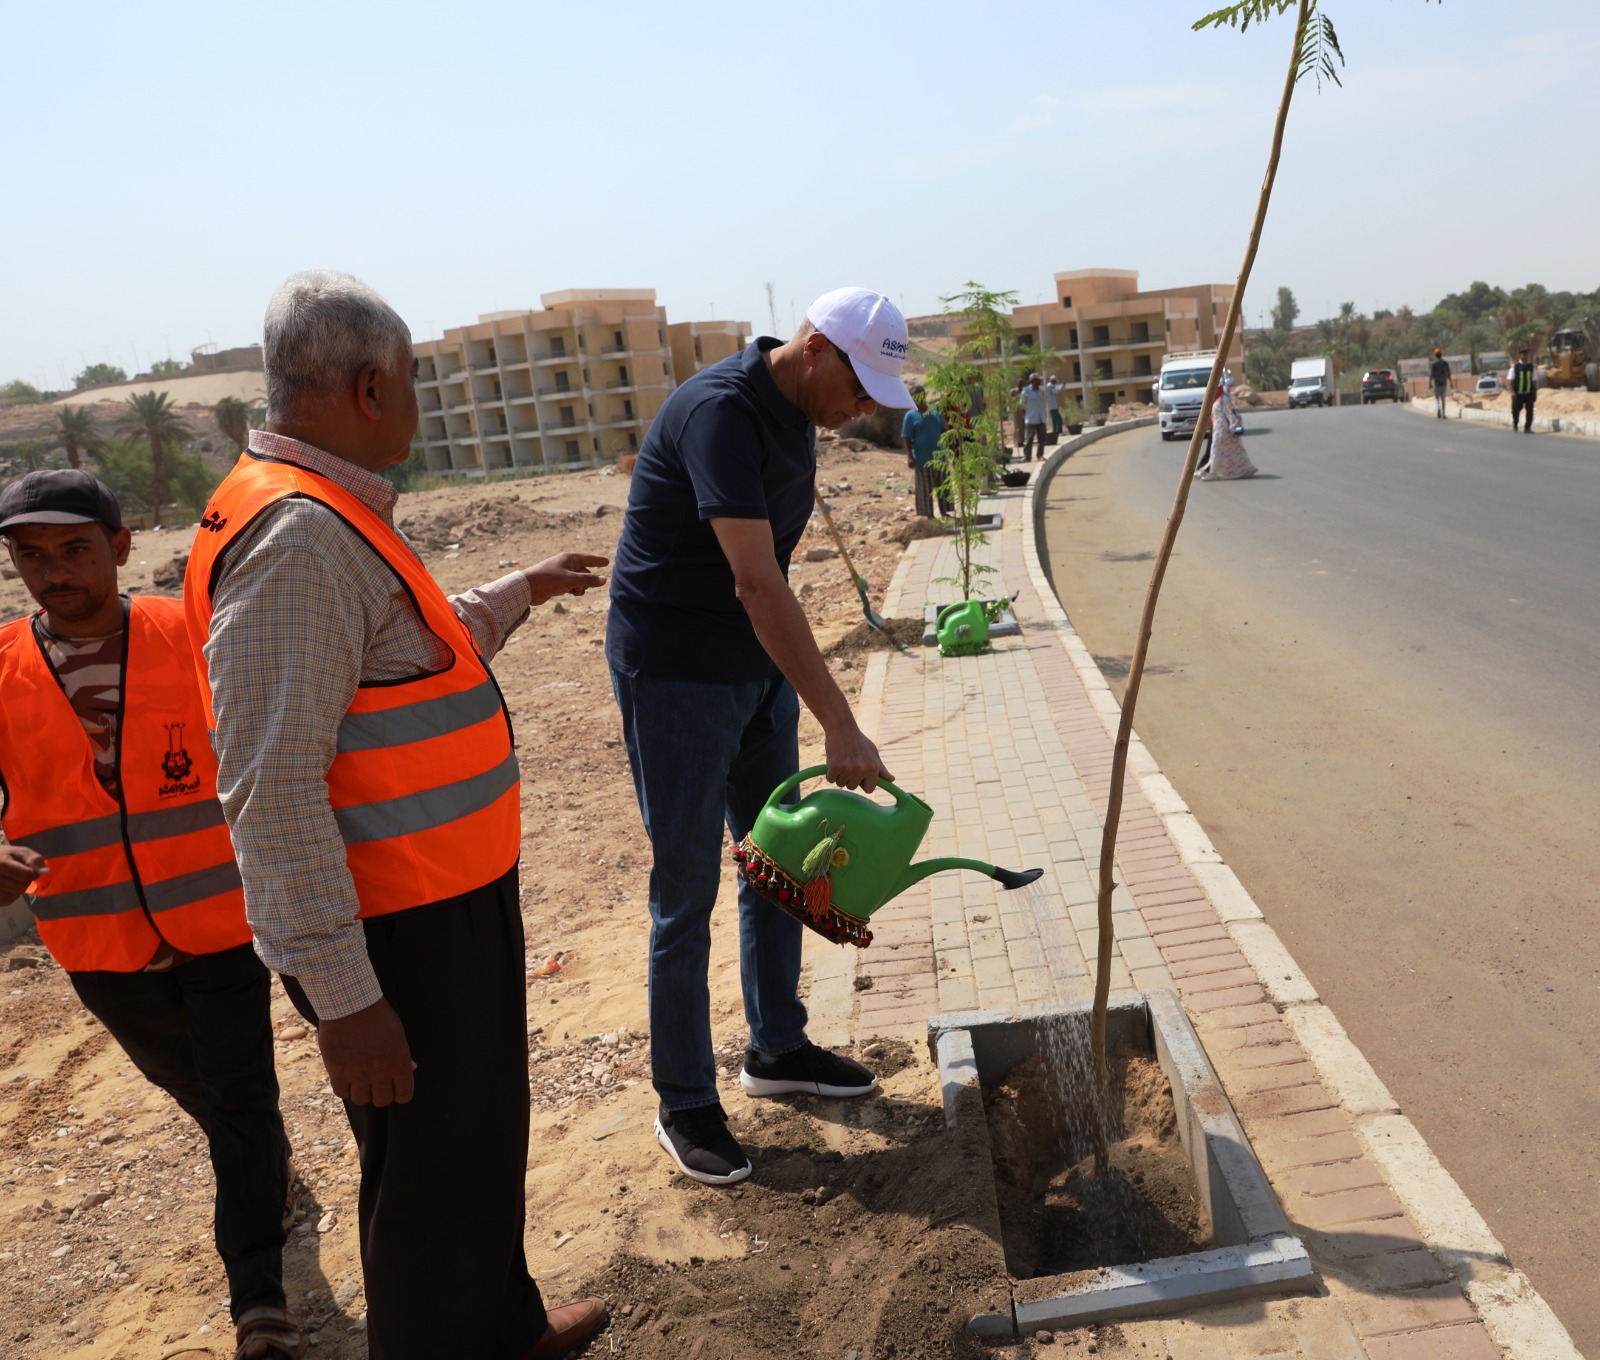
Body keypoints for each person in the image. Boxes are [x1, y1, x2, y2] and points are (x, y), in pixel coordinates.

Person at [183, 271, 611, 1360]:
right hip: (396, 933)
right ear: (369, 387)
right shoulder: (298, 539)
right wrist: (345, 999)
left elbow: (412, 649)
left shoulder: (334, 509)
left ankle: (506, 1328)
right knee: (428, 1187)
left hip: (443, 907)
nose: (421, 404)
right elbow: (270, 789)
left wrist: (521, 587)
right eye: (415, 382)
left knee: (470, 1155)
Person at [606, 287, 909, 1186]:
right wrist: (841, 721)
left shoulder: (801, 417)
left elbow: (774, 576)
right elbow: (755, 581)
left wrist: (788, 685)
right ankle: (685, 1100)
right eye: (861, 388)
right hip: (674, 676)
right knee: (687, 886)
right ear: (816, 348)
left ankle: (777, 1050)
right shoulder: (718, 415)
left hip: (752, 672)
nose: (864, 410)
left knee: (781, 863)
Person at [0, 470, 301, 1360]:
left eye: (75, 550)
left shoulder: (194, 631)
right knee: (201, 1095)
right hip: (96, 942)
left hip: (218, 921)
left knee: (243, 1099)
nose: (54, 572)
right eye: (30, 556)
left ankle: (260, 1304)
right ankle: (264, 1171)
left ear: (122, 546)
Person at [901, 385, 948, 518]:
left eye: (920, 394)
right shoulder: (910, 416)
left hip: (940, 459)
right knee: (924, 491)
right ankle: (927, 517)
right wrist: (910, 457)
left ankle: (947, 513)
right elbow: (907, 438)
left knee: (944, 488)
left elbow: (944, 430)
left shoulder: (935, 411)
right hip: (923, 460)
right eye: (915, 396)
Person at [1199, 388, 1258, 481]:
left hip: (1224, 430)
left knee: (1216, 451)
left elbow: (1229, 413)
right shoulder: (1216, 399)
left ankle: (1213, 473)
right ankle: (1246, 469)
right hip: (1217, 429)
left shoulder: (1223, 399)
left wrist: (1234, 426)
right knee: (1235, 450)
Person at [1508, 347, 1537, 433]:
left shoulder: (1531, 367)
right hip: (1518, 393)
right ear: (1519, 355)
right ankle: (1515, 424)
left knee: (1530, 411)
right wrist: (1512, 392)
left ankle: (1527, 428)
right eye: (1523, 354)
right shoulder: (1515, 367)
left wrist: (1535, 393)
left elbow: (1534, 381)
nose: (1525, 355)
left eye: (1526, 354)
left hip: (1528, 393)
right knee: (1515, 410)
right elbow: (1511, 381)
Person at [1021, 372, 1048, 462]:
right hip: (1031, 418)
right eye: (1038, 379)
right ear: (1033, 381)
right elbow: (1022, 404)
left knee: (1042, 438)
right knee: (1029, 439)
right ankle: (1027, 457)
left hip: (1041, 418)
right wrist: (1025, 413)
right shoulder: (1026, 391)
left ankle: (1040, 455)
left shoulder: (1041, 391)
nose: (1039, 381)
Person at [1430, 348, 1452, 419]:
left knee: (1437, 398)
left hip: (1436, 383)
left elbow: (1431, 374)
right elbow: (1448, 373)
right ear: (1441, 355)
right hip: (1444, 383)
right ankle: (1444, 413)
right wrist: (1451, 382)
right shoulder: (1445, 363)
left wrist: (1429, 383)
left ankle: (1438, 408)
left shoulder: (1433, 364)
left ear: (1435, 355)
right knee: (1443, 398)